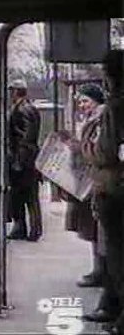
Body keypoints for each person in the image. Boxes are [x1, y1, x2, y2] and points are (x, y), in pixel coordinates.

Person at [81, 50, 124, 334]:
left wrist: (87, 147)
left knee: (118, 255)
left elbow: (105, 151)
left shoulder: (116, 107)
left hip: (115, 188)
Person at [63, 84, 106, 288]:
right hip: (89, 179)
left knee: (97, 229)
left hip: (94, 180)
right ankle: (99, 269)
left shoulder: (100, 120)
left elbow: (98, 150)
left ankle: (101, 271)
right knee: (93, 228)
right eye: (80, 102)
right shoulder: (92, 120)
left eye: (85, 101)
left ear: (96, 101)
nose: (82, 105)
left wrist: (78, 147)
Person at [6, 78, 42, 241]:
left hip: (23, 160)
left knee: (21, 196)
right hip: (30, 158)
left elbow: (25, 137)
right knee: (31, 197)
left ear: (15, 92)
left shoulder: (21, 110)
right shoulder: (31, 108)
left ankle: (26, 228)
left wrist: (18, 161)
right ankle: (33, 229)